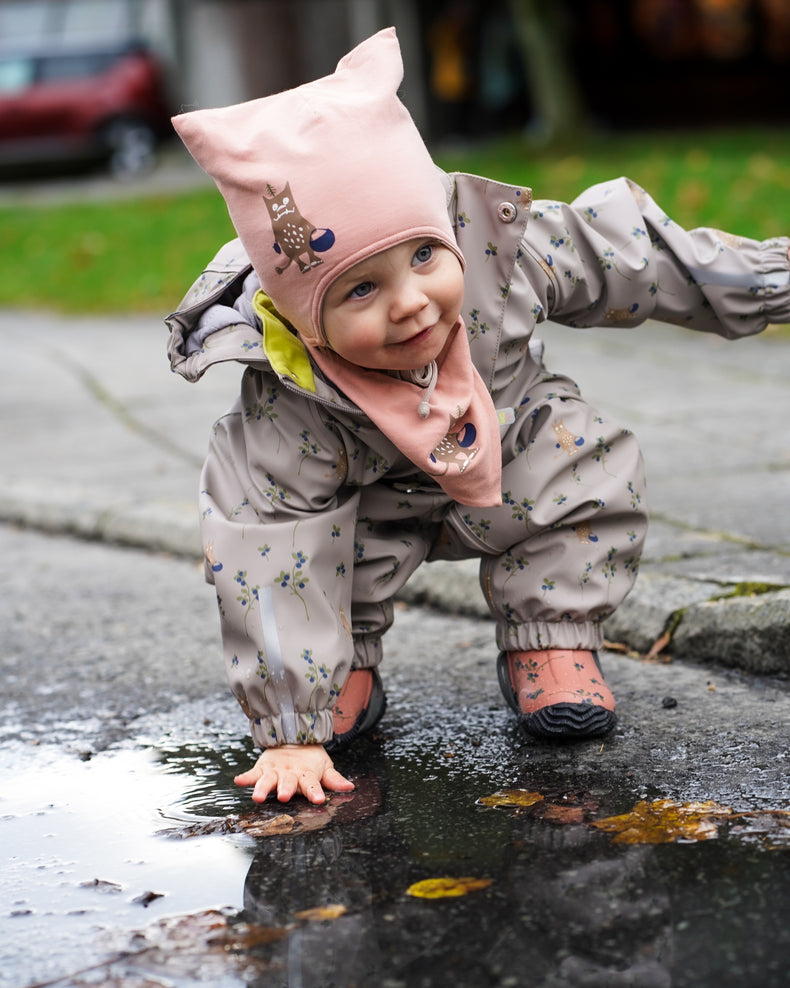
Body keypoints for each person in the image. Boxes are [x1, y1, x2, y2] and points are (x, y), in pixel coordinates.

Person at [167, 28, 790, 806]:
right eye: (360, 291)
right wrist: (290, 727)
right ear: (307, 316)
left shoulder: (503, 253)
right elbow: (263, 546)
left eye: (424, 257)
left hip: (513, 467)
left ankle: (550, 639)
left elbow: (638, 256)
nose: (411, 302)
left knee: (576, 456)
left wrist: (769, 280)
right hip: (367, 516)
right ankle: (338, 677)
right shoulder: (287, 397)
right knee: (313, 557)